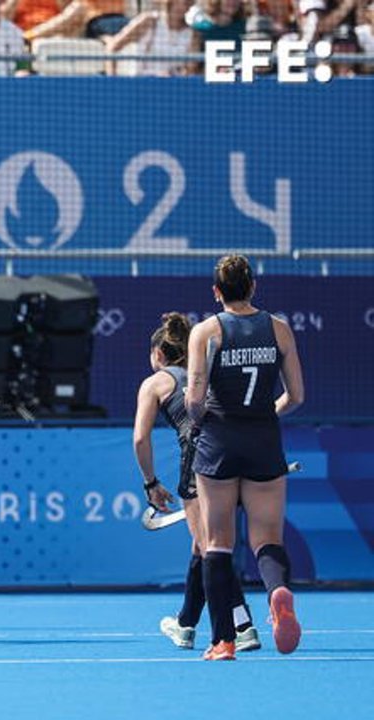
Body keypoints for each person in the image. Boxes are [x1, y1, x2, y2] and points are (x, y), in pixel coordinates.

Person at [186, 254, 305, 660]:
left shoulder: (205, 331)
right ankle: (278, 592)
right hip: (263, 440)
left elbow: (195, 400)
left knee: (216, 542)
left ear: (216, 292)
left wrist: (202, 421)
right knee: (268, 538)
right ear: (252, 286)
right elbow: (297, 396)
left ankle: (223, 641)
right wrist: (263, 414)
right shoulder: (280, 329)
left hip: (219, 442)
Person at [133, 312, 260, 653]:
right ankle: (186, 624)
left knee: (210, 547)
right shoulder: (204, 374)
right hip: (233, 454)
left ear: (158, 353)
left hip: (201, 460)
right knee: (203, 546)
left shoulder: (155, 382)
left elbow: (140, 440)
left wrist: (151, 484)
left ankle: (242, 625)